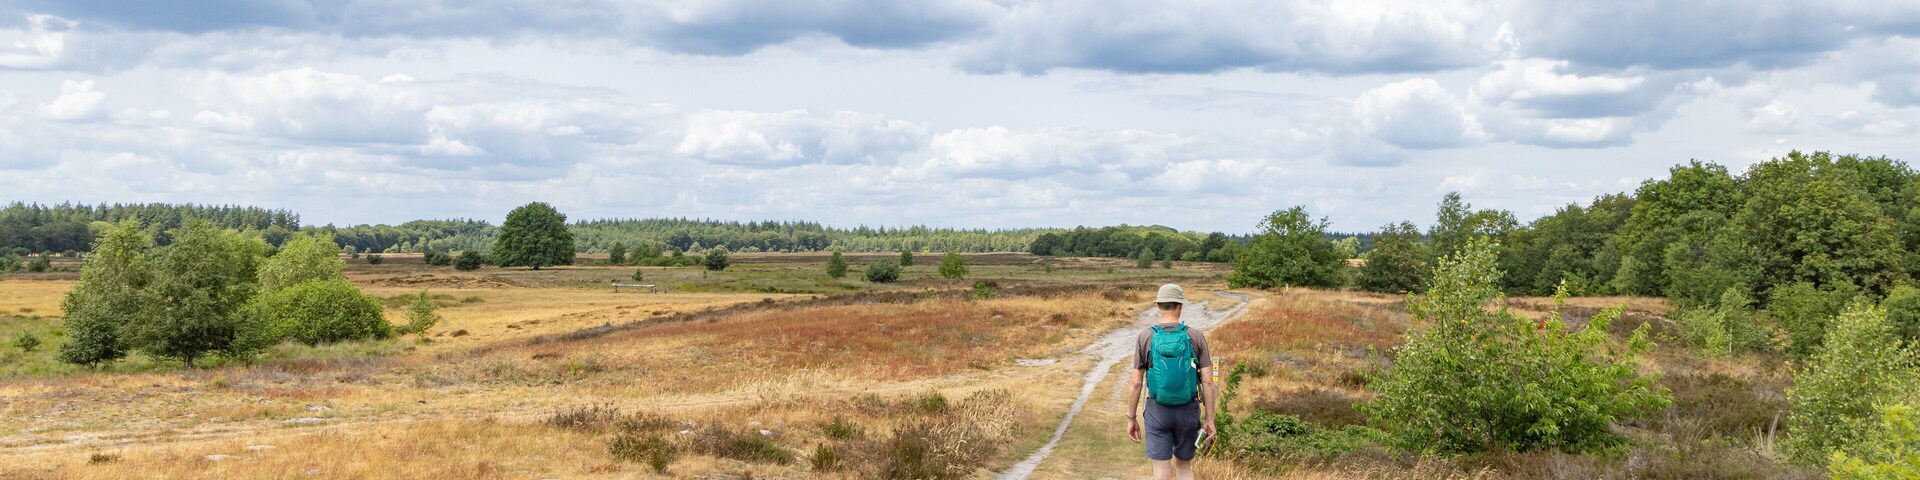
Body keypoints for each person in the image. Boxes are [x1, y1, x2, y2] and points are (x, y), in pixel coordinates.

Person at [1126, 283, 1215, 480]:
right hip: (1188, 410)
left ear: (1158, 305)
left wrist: (1131, 418)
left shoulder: (1146, 336)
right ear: (1180, 306)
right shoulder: (1195, 336)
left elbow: (1136, 384)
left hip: (1157, 410)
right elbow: (1208, 382)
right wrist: (1209, 419)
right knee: (1184, 466)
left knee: (1160, 471)